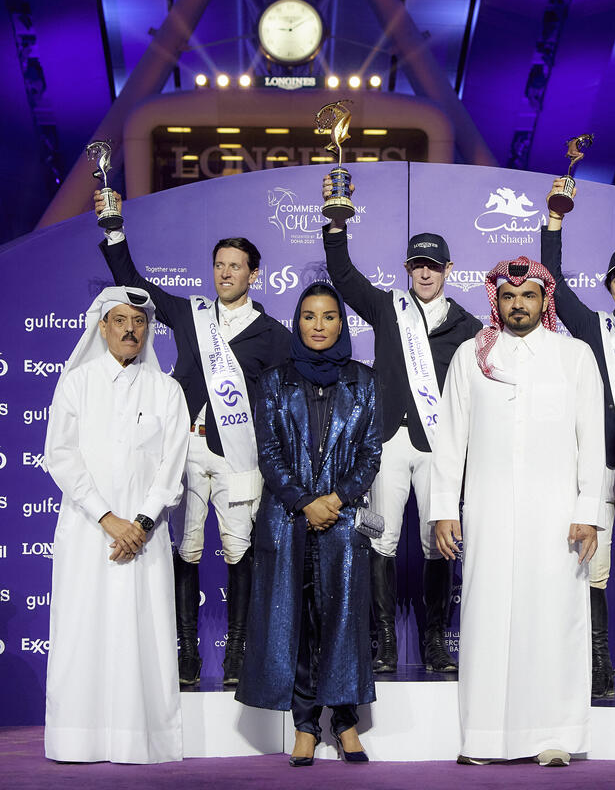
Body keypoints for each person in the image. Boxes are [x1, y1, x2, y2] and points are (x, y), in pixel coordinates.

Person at [95, 190, 291, 686]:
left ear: (254, 275)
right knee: (186, 548)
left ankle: (237, 655)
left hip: (238, 457)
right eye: (220, 265)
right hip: (184, 448)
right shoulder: (189, 313)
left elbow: (286, 396)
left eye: (236, 266)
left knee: (238, 550)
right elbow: (133, 284)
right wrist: (114, 229)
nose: (226, 273)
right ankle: (187, 653)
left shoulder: (272, 334)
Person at [431, 257, 605, 767]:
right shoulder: (471, 355)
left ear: (544, 300)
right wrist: (445, 508)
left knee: (555, 618)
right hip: (487, 511)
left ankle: (555, 735)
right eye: (508, 297)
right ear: (497, 302)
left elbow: (590, 439)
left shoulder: (573, 355)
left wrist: (588, 510)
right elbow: (450, 438)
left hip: (558, 518)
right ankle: (484, 738)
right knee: (487, 618)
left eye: (528, 296)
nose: (518, 305)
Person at [322, 177, 482, 673]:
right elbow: (343, 277)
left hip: (439, 446)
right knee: (380, 539)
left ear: (449, 270)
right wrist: (336, 223)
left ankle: (436, 641)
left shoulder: (471, 328)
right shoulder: (388, 307)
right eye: (417, 265)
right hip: (388, 442)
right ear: (408, 269)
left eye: (434, 265)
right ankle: (384, 642)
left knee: (440, 541)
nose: (426, 273)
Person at [236, 282, 382, 766]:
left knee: (341, 623)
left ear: (342, 324)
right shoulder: (274, 381)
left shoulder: (364, 381)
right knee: (294, 623)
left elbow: (370, 453)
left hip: (341, 522)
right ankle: (304, 724)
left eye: (328, 317)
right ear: (297, 323)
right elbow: (269, 453)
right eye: (308, 317)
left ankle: (344, 723)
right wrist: (306, 502)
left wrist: (336, 499)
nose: (318, 326)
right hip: (288, 520)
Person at [44, 286, 189, 763]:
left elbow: (172, 465)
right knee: (83, 630)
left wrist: (141, 524)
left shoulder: (166, 389)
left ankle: (138, 740)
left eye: (139, 321)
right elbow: (60, 456)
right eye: (121, 320)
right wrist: (109, 519)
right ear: (102, 326)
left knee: (142, 633)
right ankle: (76, 740)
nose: (131, 329)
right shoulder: (76, 383)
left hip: (144, 539)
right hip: (90, 533)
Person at [540, 178, 615, 700]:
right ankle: (597, 668)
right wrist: (555, 221)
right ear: (609, 286)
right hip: (597, 467)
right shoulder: (593, 327)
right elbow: (552, 283)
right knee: (593, 567)